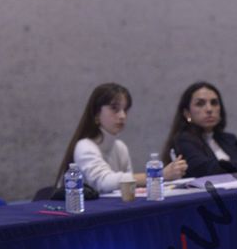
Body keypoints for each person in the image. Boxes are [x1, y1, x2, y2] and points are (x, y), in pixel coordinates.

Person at [57, 82, 187, 195]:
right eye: (114, 108)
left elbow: (129, 188)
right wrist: (158, 175)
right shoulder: (84, 146)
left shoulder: (120, 147)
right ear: (96, 114)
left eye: (125, 110)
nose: (122, 116)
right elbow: (104, 182)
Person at [164, 81, 237, 176]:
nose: (209, 109)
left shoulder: (229, 139)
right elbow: (206, 168)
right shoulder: (184, 140)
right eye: (200, 104)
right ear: (187, 113)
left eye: (214, 103)